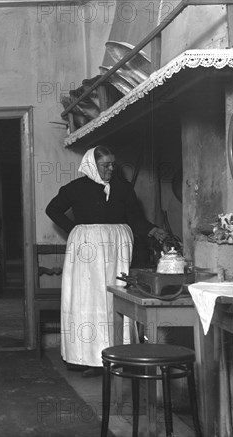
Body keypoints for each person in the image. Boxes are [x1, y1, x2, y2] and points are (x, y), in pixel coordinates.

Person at [45, 146, 168, 377]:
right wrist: (76, 230)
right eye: (106, 165)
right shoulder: (75, 188)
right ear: (92, 164)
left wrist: (153, 231)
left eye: (113, 164)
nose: (111, 168)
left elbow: (136, 219)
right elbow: (52, 209)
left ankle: (119, 354)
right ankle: (88, 357)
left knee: (116, 298)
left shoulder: (124, 189)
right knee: (88, 299)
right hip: (87, 251)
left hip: (116, 249)